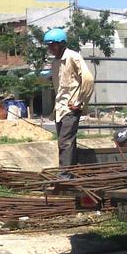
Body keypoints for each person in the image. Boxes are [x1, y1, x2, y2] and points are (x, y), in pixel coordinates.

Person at [44, 28, 95, 177]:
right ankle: (70, 173)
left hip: (70, 109)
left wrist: (79, 101)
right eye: (49, 46)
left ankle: (64, 176)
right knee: (64, 142)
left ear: (61, 44)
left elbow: (88, 79)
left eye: (52, 45)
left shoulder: (73, 57)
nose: (50, 49)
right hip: (60, 108)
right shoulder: (55, 62)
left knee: (65, 142)